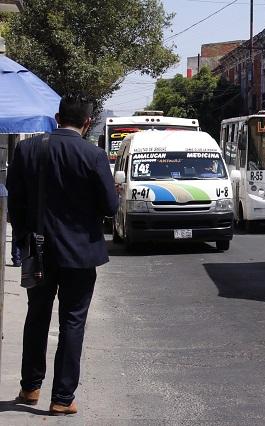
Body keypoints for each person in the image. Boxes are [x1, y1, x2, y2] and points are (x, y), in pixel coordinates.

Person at [6, 93, 118, 416]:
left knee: (36, 317)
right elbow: (110, 207)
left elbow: (15, 201)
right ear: (87, 123)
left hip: (38, 251)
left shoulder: (27, 149)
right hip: (80, 255)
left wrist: (26, 234)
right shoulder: (93, 156)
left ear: (57, 117)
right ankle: (62, 398)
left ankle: (30, 387)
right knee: (72, 322)